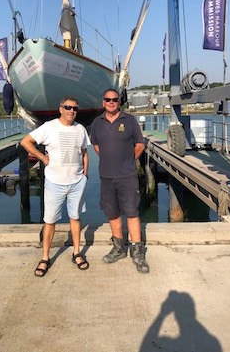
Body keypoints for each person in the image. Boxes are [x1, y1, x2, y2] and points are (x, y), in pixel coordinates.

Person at [20, 96, 90, 277]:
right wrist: (43, 158)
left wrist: (85, 176)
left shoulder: (80, 129)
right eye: (67, 107)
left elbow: (84, 153)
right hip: (54, 183)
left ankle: (76, 253)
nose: (71, 111)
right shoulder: (49, 127)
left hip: (76, 183)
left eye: (75, 108)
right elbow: (25, 142)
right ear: (61, 109)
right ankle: (45, 257)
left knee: (75, 218)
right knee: (50, 221)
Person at [90, 88, 149, 273]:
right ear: (103, 102)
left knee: (132, 213)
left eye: (115, 99)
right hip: (106, 176)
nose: (111, 102)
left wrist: (128, 161)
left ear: (119, 102)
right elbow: (96, 145)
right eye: (108, 99)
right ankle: (118, 248)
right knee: (112, 213)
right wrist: (110, 160)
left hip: (127, 176)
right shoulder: (97, 122)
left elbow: (140, 144)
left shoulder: (129, 120)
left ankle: (137, 252)